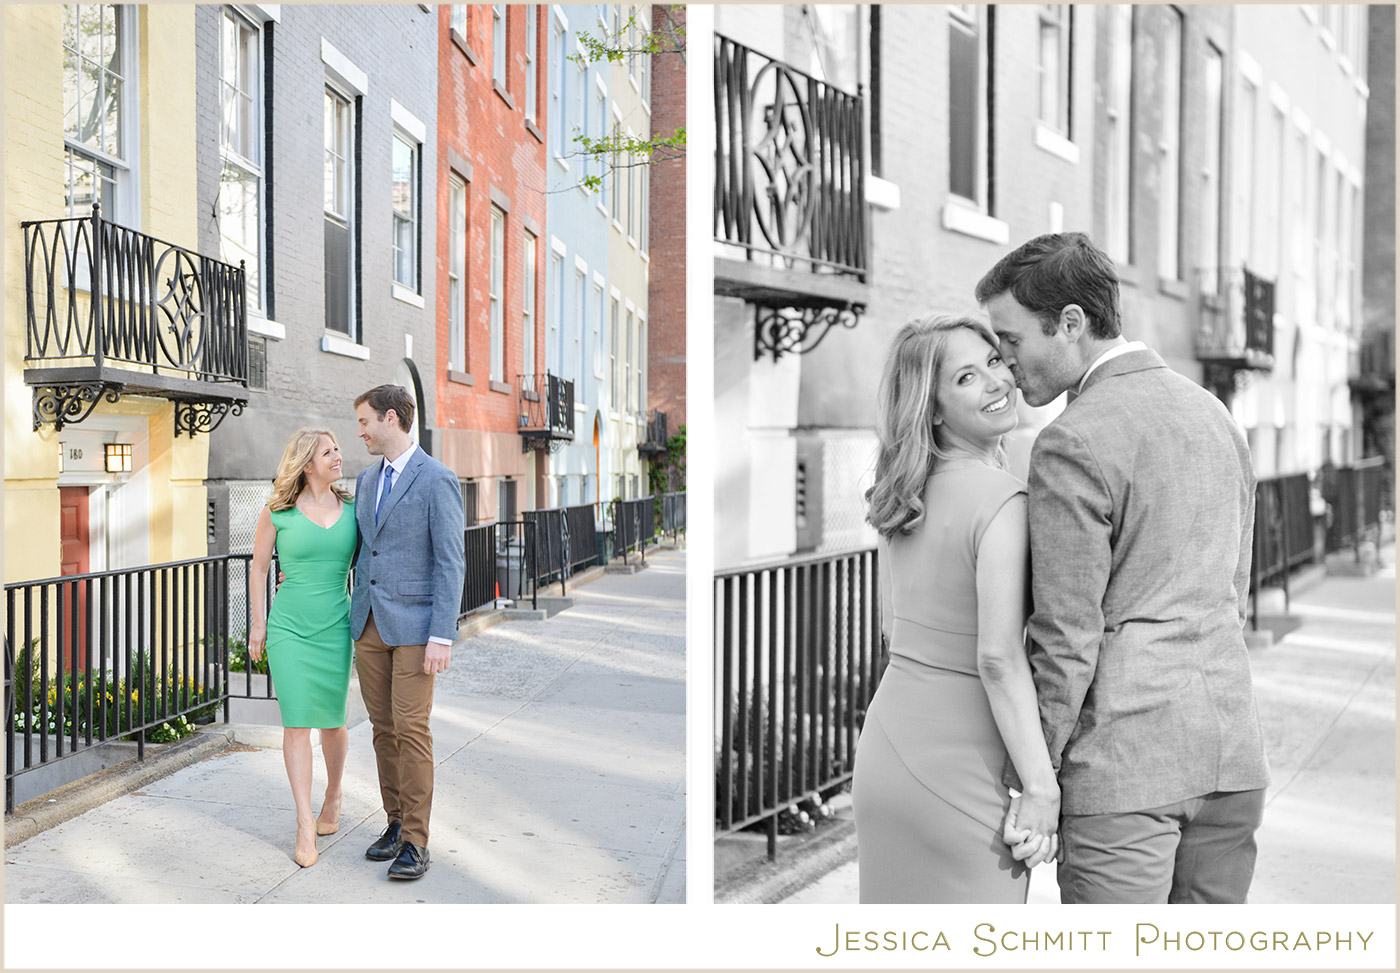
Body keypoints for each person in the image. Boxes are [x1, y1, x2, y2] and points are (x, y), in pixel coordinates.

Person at [976, 231, 1270, 904]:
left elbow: (1066, 634)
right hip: (1232, 755)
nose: (1005, 362)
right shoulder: (1217, 416)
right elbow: (1234, 592)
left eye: (1012, 340)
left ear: (1070, 323)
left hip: (1125, 772)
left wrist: (1036, 773)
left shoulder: (1071, 440)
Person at [852, 313, 1060, 904]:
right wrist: (1041, 788)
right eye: (967, 378)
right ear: (934, 408)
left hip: (887, 750)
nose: (998, 382)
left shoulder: (903, 496)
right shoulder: (1004, 499)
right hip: (961, 772)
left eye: (995, 362)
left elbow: (896, 632)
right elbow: (997, 657)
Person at [350, 385, 465, 880]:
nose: (360, 432)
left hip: (418, 628)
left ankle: (416, 841)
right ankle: (395, 823)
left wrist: (442, 634)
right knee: (382, 731)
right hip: (369, 623)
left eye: (364, 422)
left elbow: (450, 561)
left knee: (412, 731)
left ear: (390, 418)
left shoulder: (437, 479)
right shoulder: (364, 479)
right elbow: (359, 549)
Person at [248, 428, 357, 868]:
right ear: (306, 463)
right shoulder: (277, 512)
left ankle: (333, 794)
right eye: (328, 451)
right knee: (296, 725)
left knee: (333, 722)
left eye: (337, 449)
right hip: (289, 628)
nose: (338, 455)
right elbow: (258, 570)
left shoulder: (354, 508)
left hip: (336, 626)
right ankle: (303, 822)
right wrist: (258, 625)